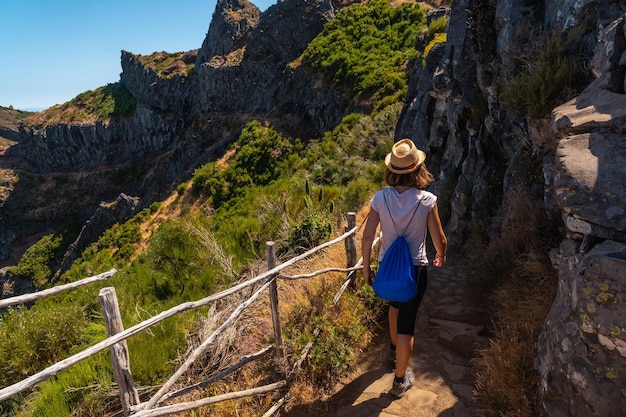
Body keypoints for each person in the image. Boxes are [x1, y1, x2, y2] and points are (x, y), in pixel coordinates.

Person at [361, 138, 448, 399]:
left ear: (392, 171)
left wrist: (366, 268)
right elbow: (438, 239)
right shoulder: (427, 200)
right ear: (417, 169)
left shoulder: (380, 198)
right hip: (415, 269)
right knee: (407, 327)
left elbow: (367, 236)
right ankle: (400, 381)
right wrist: (441, 255)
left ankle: (392, 350)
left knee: (394, 308)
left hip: (388, 269)